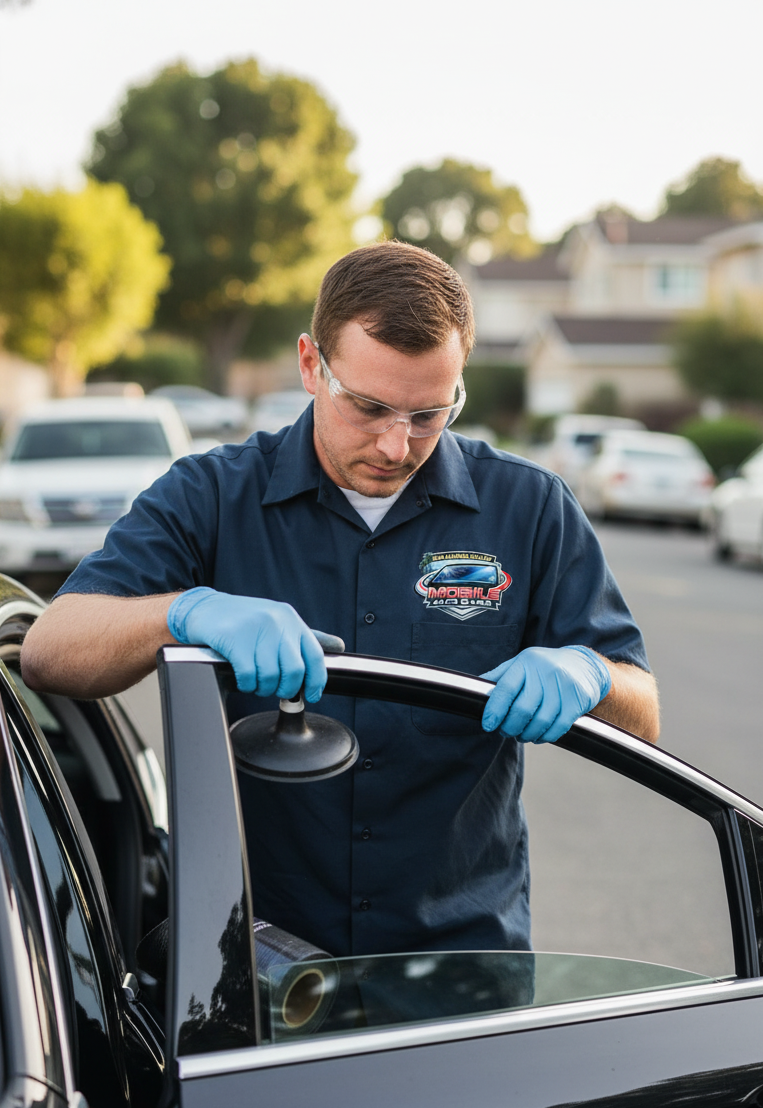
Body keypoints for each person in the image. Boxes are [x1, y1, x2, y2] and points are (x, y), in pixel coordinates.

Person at [21, 242, 659, 959]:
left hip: (463, 962)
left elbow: (641, 714)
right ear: (308, 364)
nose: (396, 444)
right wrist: (186, 610)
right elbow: (49, 651)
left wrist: (589, 673)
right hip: (256, 960)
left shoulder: (529, 506)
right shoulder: (211, 495)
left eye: (430, 413)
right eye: (369, 406)